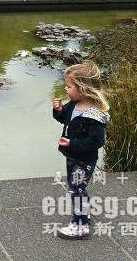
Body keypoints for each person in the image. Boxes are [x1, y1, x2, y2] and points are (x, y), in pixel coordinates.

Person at [52, 60, 110, 240]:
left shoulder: (94, 116)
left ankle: (80, 225)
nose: (66, 89)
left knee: (77, 188)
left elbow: (96, 141)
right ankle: (85, 214)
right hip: (72, 155)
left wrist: (72, 144)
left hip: (84, 159)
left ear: (83, 89)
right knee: (76, 186)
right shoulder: (73, 104)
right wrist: (59, 111)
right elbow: (65, 119)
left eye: (69, 86)